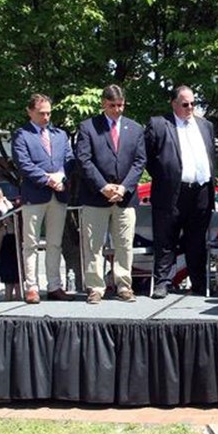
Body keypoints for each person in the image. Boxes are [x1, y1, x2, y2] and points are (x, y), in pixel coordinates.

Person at [75, 85, 146, 304]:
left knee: (124, 244)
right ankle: (95, 288)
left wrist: (123, 187)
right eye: (112, 105)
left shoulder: (135, 129)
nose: (117, 110)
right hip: (96, 197)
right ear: (103, 104)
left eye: (120, 105)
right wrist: (103, 187)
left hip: (125, 197)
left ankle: (124, 286)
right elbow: (83, 160)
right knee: (93, 244)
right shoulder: (88, 127)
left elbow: (139, 161)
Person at [145, 85, 216, 299]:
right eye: (185, 104)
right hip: (171, 192)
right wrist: (165, 176)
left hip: (201, 191)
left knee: (196, 240)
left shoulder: (205, 126)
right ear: (174, 104)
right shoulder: (159, 124)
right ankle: (163, 283)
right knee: (165, 239)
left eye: (193, 104)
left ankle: (198, 283)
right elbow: (147, 157)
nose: (190, 108)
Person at [11, 94, 75, 304]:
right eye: (41, 113)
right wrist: (48, 180)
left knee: (55, 243)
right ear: (30, 112)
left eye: (49, 113)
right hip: (35, 195)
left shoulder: (60, 134)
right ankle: (31, 287)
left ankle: (54, 286)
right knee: (30, 243)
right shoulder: (22, 134)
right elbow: (24, 164)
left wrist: (62, 177)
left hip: (59, 194)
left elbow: (69, 160)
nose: (46, 117)